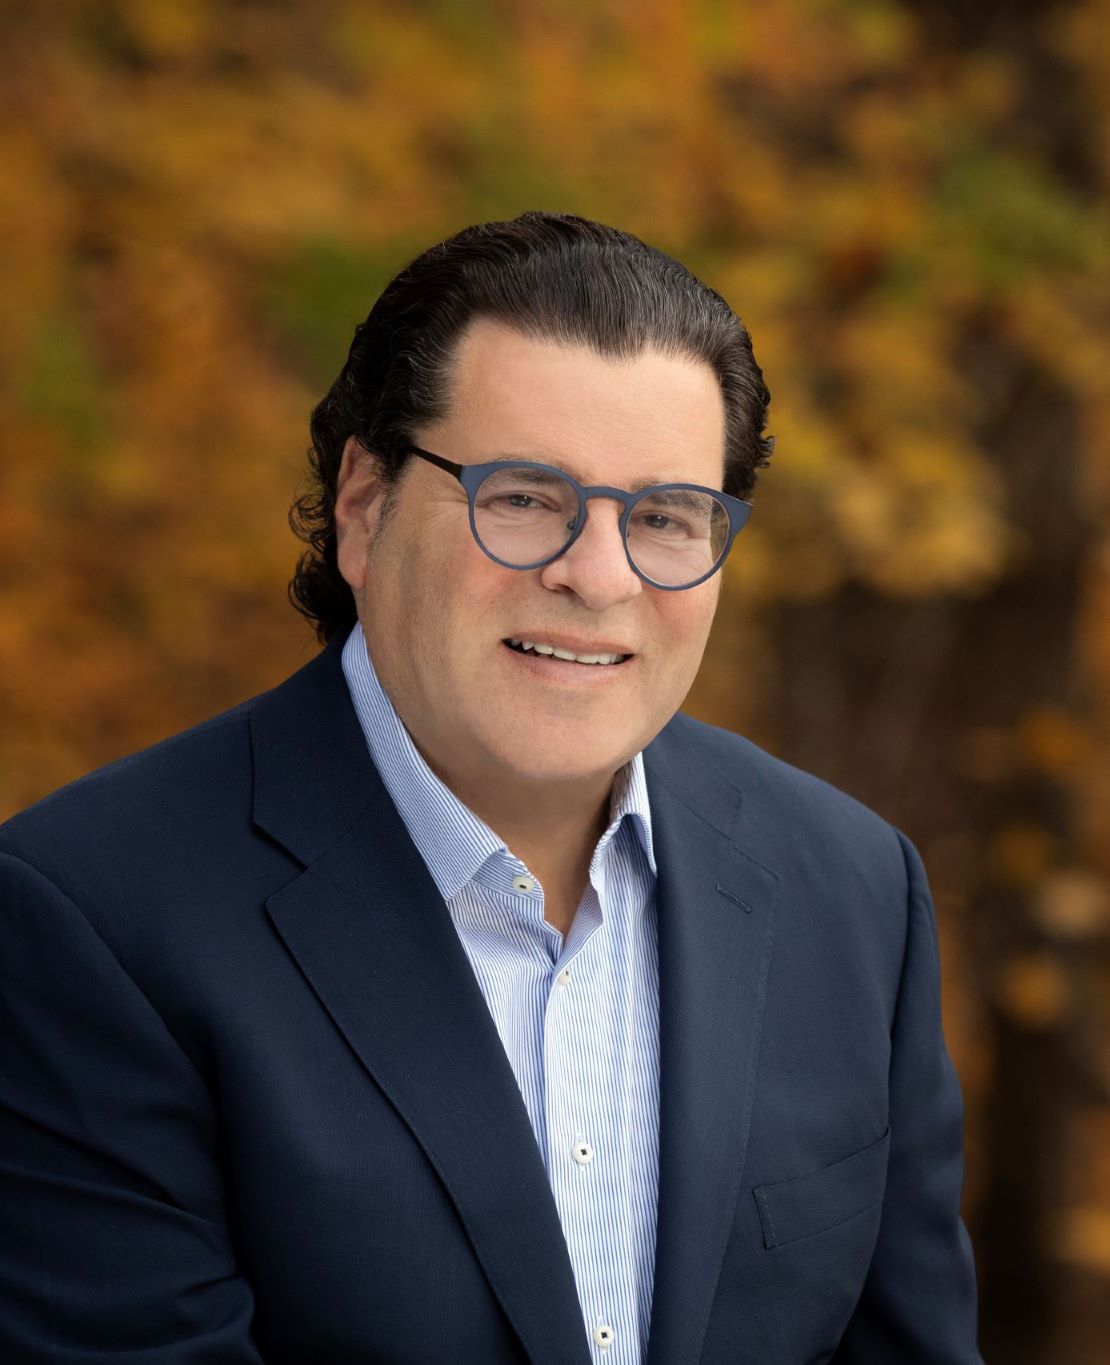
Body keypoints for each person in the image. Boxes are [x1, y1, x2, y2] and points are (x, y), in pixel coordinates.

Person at [0, 211, 983, 1364]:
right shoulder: (89, 919)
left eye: (666, 517)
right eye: (522, 496)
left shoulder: (853, 890)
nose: (597, 577)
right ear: (363, 505)